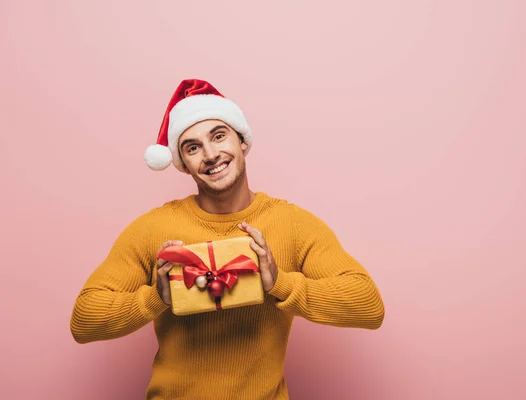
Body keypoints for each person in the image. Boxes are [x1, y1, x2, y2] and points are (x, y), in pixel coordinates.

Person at [70, 79, 385, 400]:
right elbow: (84, 321)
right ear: (182, 164)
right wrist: (157, 297)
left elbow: (369, 307)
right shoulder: (152, 228)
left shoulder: (293, 223)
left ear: (242, 141)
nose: (210, 154)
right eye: (192, 147)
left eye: (219, 136)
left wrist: (279, 282)